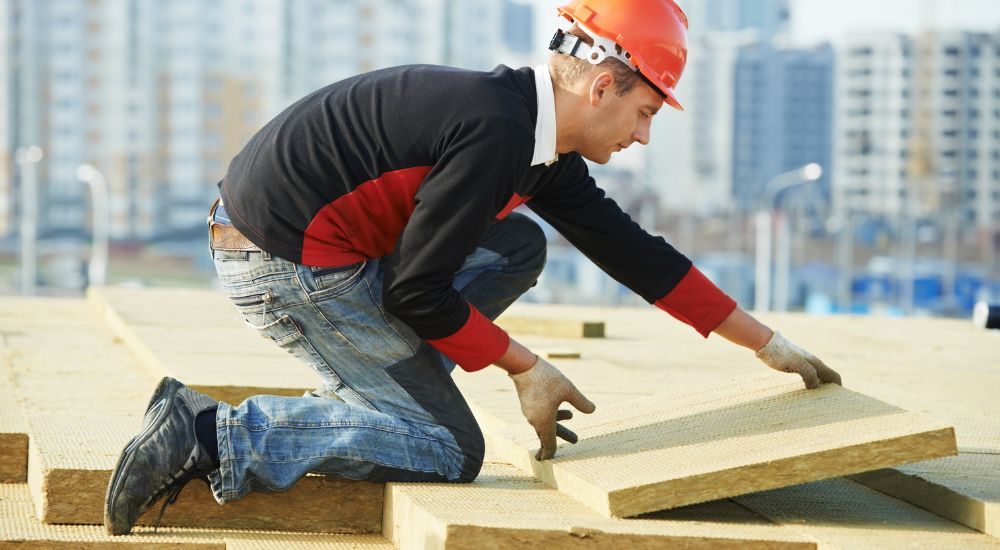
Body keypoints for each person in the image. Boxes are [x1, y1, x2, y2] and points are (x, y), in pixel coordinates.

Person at [104, 0, 841, 536]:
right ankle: (209, 433)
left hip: (319, 251)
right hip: (283, 266)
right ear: (603, 86)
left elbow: (634, 253)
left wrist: (764, 342)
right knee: (450, 450)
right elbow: (417, 290)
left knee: (519, 246)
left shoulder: (532, 141)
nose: (645, 136)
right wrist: (525, 367)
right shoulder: (495, 133)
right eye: (645, 111)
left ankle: (384, 394)